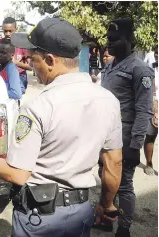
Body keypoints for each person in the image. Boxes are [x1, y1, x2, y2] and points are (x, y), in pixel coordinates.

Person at [0, 18, 123, 237]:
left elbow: (17, 174)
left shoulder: (39, 106)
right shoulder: (108, 100)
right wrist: (106, 204)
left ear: (50, 60)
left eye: (33, 60)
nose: (31, 66)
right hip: (80, 212)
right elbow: (114, 162)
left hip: (39, 218)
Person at [101, 18, 154, 237]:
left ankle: (124, 228)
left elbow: (144, 111)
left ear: (129, 40)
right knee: (106, 178)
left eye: (115, 39)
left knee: (124, 185)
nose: (109, 44)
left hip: (124, 137)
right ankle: (106, 217)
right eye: (108, 39)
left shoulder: (140, 70)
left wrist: (135, 146)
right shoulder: (110, 66)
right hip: (105, 135)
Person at [0, 17, 32, 90]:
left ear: (16, 29)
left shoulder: (22, 44)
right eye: (5, 31)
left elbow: (30, 67)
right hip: (2, 75)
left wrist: (16, 63)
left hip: (19, 76)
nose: (8, 34)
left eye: (10, 31)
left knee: (13, 92)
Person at [143, 53, 158, 176]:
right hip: (154, 106)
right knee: (151, 135)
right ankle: (149, 163)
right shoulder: (150, 65)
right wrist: (154, 106)